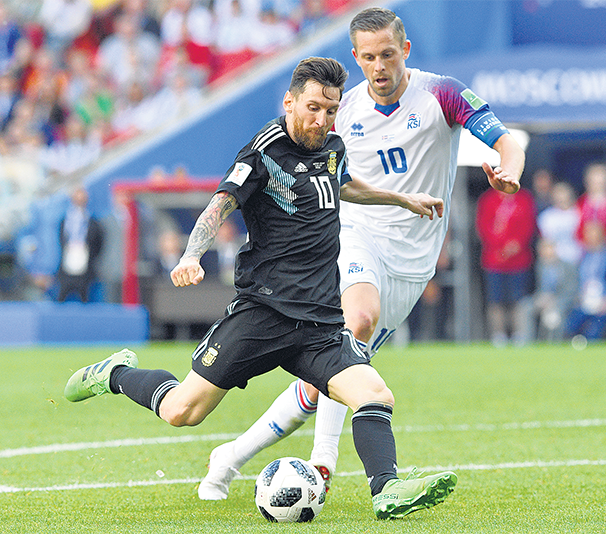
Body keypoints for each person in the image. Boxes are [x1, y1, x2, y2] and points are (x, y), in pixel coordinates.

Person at [63, 57, 458, 520]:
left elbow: (344, 184)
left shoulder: (332, 145)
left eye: (330, 110)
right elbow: (219, 205)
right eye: (312, 107)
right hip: (262, 314)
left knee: (375, 395)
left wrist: (402, 198)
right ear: (289, 101)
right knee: (181, 412)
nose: (321, 119)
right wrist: (191, 255)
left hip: (319, 323)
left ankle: (387, 490)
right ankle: (114, 374)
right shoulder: (263, 151)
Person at [197, 7, 525, 500]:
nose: (379, 67)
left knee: (331, 377)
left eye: (388, 55)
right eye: (369, 57)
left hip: (414, 261)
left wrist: (509, 170)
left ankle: (230, 456)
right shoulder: (341, 110)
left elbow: (505, 141)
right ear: (356, 57)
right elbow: (305, 168)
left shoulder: (442, 93)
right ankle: (323, 461)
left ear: (405, 51)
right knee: (359, 322)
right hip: (356, 236)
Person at [475, 186, 537, 347]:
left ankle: (519, 334)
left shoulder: (524, 198)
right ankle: (498, 335)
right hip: (494, 259)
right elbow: (483, 226)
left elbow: (529, 224)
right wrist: (500, 246)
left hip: (519, 259)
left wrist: (516, 244)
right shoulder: (488, 199)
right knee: (496, 300)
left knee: (518, 299)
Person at [565, 221, 606, 341]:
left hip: (604, 301)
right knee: (570, 327)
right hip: (585, 300)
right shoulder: (584, 256)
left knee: (594, 333)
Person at [56, 186, 105, 302]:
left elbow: (99, 244)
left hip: (85, 268)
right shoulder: (64, 220)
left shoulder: (93, 222)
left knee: (85, 297)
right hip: (67, 265)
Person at [576, 162, 606, 251]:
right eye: (594, 182)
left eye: (600, 182)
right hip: (584, 250)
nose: (597, 186)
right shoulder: (580, 203)